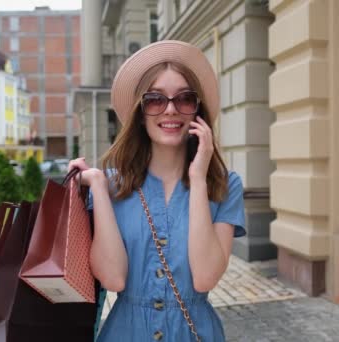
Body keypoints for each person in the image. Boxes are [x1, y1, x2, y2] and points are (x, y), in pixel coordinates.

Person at [69, 40, 246, 341]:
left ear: (197, 112)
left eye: (185, 99)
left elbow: (204, 278)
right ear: (140, 112)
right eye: (155, 100)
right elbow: (113, 278)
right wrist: (98, 186)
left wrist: (199, 179)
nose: (171, 110)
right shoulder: (112, 186)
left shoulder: (224, 184)